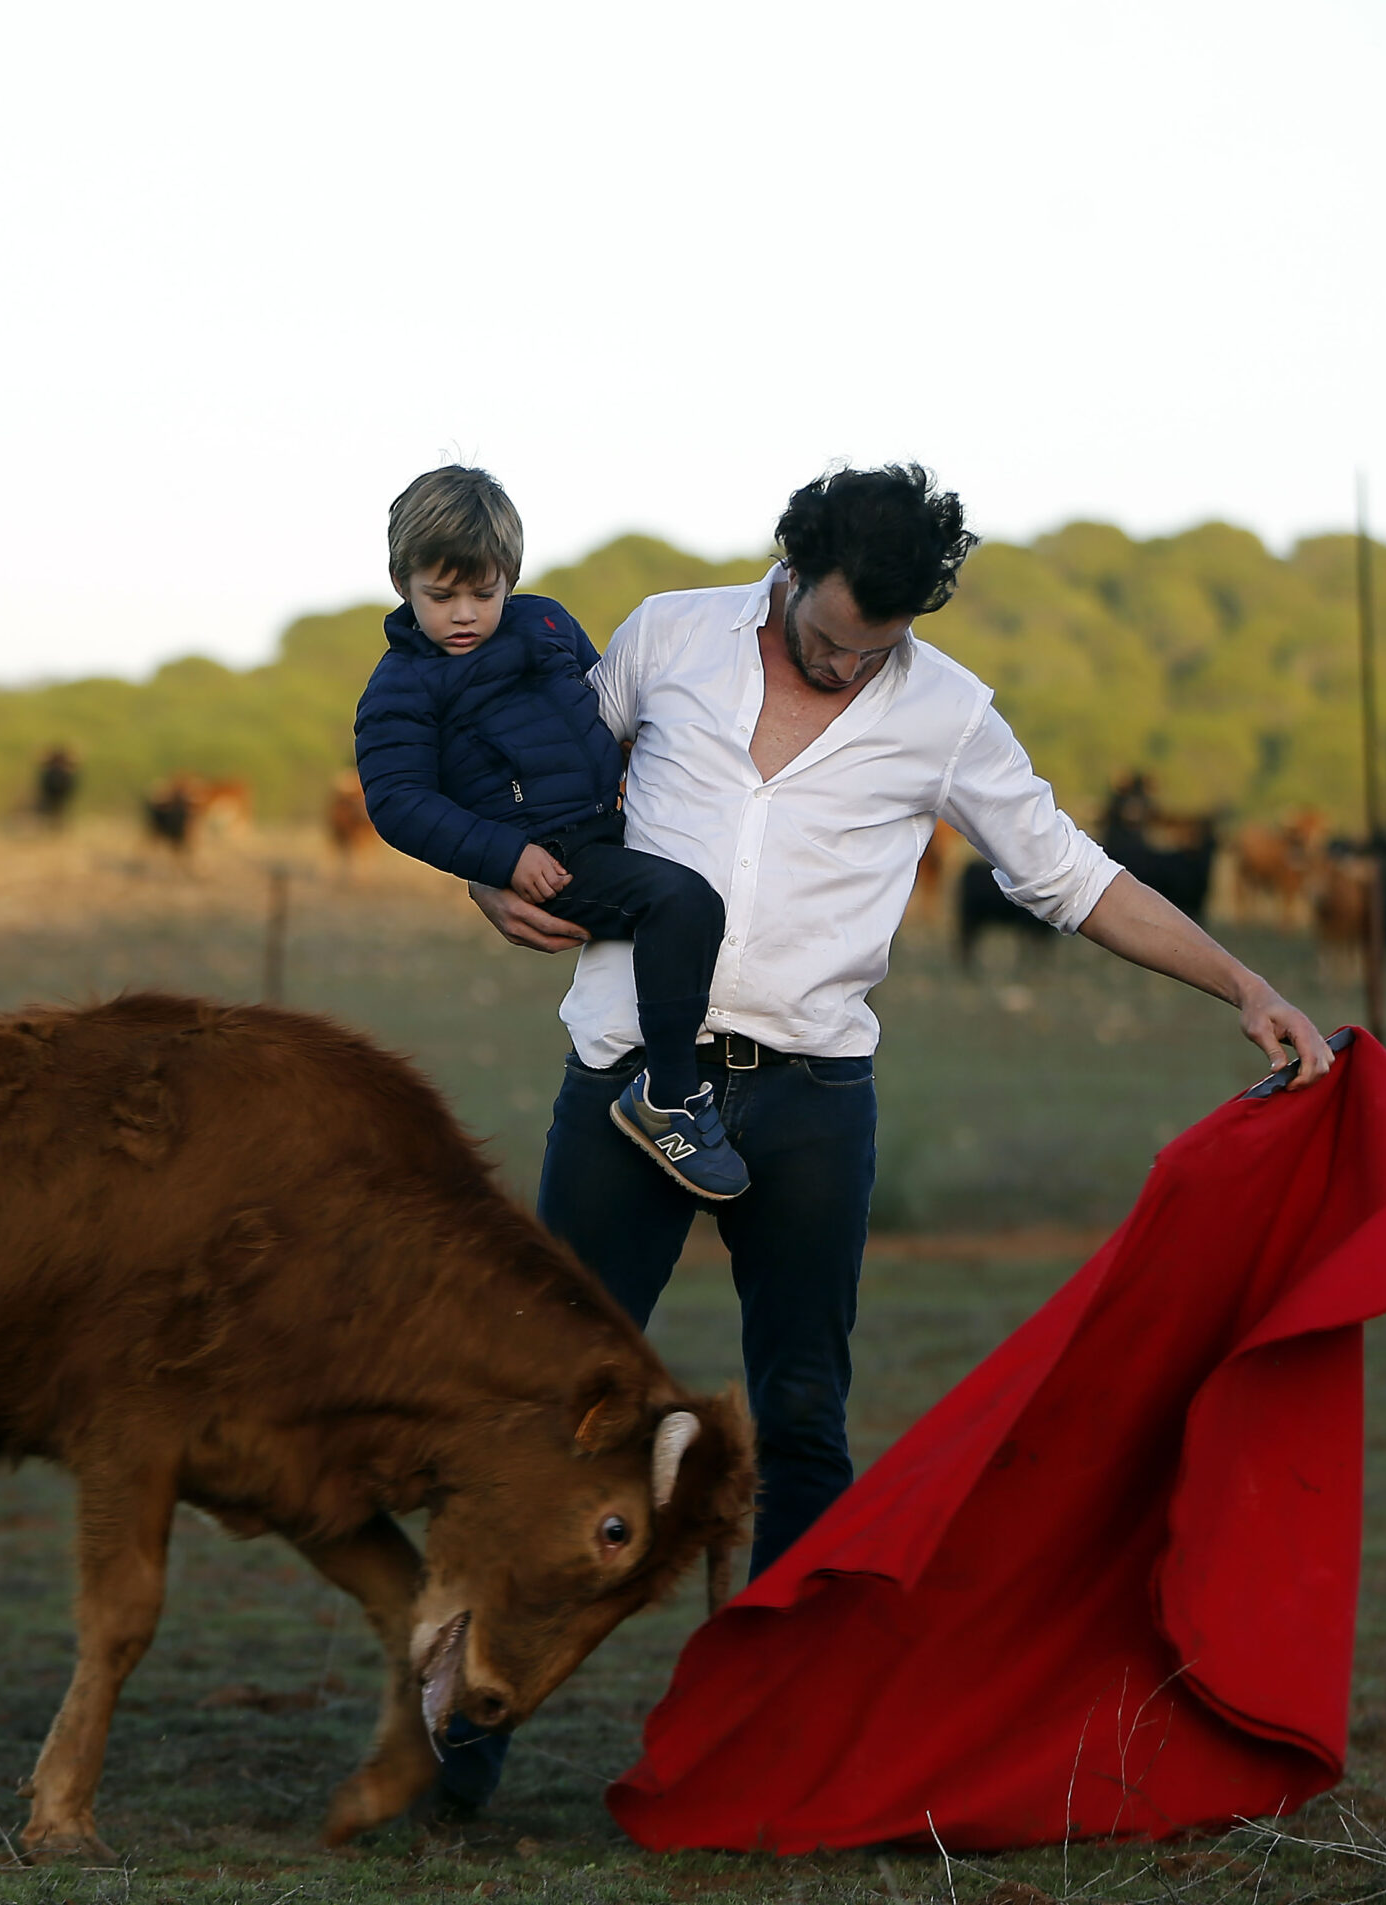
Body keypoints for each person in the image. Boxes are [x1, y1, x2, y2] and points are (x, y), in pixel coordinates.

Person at [437, 462, 1333, 1816]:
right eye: (829, 640)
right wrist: (486, 872)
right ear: (789, 569)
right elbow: (538, 775)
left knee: (804, 1416)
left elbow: (1070, 876)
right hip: (629, 1077)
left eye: (879, 650)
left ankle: (770, 1749)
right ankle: (455, 1751)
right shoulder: (668, 636)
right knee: (552, 1410)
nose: (850, 668)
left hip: (810, 1100)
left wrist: (1246, 986)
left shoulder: (947, 711)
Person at [355, 466, 749, 1198]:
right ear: (401, 581)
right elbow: (398, 801)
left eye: (485, 593)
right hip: (552, 860)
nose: (465, 614)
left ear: (511, 576)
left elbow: (602, 707)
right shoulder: (402, 685)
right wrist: (503, 858)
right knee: (683, 902)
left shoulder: (546, 623)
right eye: (441, 597)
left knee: (715, 880)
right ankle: (670, 1097)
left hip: (611, 827)